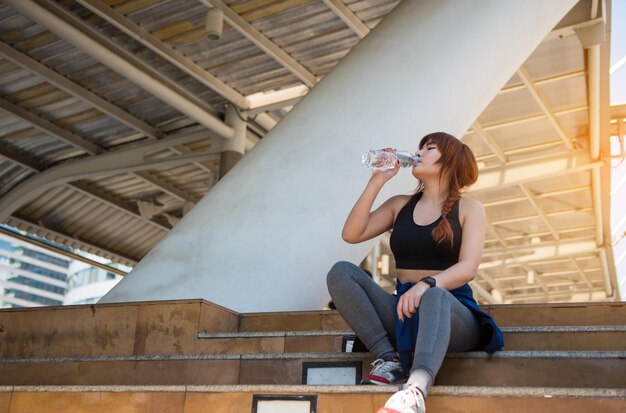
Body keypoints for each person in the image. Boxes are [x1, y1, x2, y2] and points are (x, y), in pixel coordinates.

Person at [326, 132, 504, 413]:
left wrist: (427, 285)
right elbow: (352, 234)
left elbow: (468, 267)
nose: (419, 152)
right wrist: (377, 181)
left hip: (449, 310)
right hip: (403, 310)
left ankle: (416, 390)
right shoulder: (400, 204)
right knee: (341, 273)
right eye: (420, 147)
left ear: (450, 161)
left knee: (435, 296)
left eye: (429, 148)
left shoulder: (470, 208)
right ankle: (389, 360)